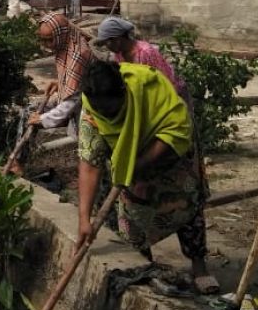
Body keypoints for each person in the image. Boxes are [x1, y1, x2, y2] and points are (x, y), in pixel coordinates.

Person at [77, 61, 217, 294]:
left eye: (111, 111)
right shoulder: (91, 108)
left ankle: (199, 266)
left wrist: (140, 165)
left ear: (123, 94)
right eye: (101, 111)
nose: (106, 116)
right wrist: (84, 218)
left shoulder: (149, 86)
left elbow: (178, 127)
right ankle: (143, 269)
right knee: (132, 218)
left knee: (186, 210)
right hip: (129, 163)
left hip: (171, 154)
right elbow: (89, 161)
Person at [91, 16, 188, 102]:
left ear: (117, 39)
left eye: (106, 42)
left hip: (170, 97)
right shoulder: (119, 55)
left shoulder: (145, 52)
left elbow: (164, 82)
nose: (106, 47)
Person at [28, 11, 94, 134]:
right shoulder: (65, 45)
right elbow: (76, 83)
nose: (46, 45)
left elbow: (72, 100)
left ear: (60, 34)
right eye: (43, 40)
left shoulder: (78, 55)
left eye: (49, 40)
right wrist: (60, 84)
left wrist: (43, 119)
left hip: (90, 113)